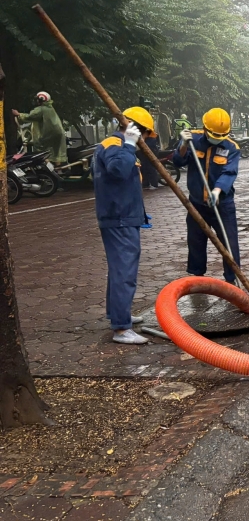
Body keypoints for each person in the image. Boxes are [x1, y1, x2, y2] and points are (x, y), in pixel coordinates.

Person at [93, 106, 155, 344]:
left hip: (122, 215)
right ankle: (121, 328)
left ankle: (118, 314)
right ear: (137, 130)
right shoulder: (116, 144)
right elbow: (118, 170)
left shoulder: (119, 145)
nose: (146, 141)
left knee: (119, 269)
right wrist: (130, 143)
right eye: (146, 135)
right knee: (124, 271)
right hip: (118, 217)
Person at [173, 108, 242, 285]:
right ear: (204, 128)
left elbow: (229, 172)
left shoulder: (231, 147)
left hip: (222, 204)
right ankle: (197, 277)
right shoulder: (193, 139)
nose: (216, 139)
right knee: (195, 240)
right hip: (197, 203)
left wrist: (217, 191)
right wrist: (182, 145)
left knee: (229, 242)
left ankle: (232, 279)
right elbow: (178, 162)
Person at [13, 92, 67, 165]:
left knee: (41, 151)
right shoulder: (50, 108)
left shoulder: (41, 109)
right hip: (59, 133)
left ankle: (47, 167)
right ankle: (58, 169)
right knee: (56, 152)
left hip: (49, 134)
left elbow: (30, 116)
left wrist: (18, 114)